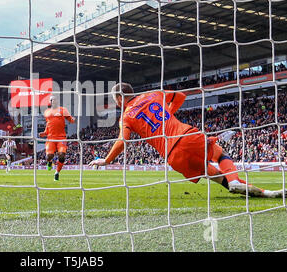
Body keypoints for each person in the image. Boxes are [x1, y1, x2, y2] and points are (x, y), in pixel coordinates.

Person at [89, 83, 285, 198]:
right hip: (185, 136)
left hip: (173, 156)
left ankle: (265, 193)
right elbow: (181, 96)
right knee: (219, 152)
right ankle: (236, 181)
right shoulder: (153, 94)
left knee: (215, 176)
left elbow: (123, 141)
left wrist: (106, 160)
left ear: (120, 98)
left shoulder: (126, 116)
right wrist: (168, 113)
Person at [39, 95, 75, 181]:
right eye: (51, 100)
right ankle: (49, 162)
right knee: (49, 156)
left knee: (62, 155)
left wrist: (73, 119)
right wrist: (44, 133)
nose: (53, 101)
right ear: (50, 102)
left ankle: (57, 172)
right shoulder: (46, 112)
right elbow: (48, 124)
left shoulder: (63, 110)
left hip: (61, 137)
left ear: (57, 101)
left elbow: (70, 119)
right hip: (50, 138)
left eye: (54, 100)